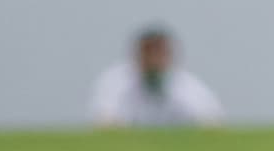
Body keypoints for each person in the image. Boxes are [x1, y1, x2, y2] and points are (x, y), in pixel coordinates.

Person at [89, 27, 222, 127]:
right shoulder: (115, 81)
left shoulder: (188, 86)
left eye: (159, 53)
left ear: (169, 56)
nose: (154, 60)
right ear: (137, 56)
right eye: (149, 53)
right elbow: (104, 121)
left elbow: (212, 122)